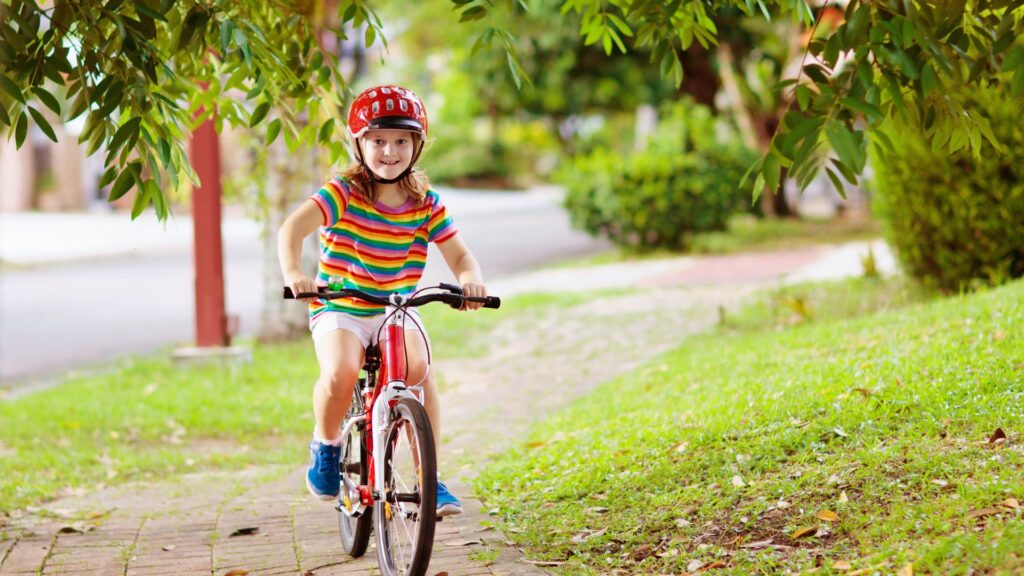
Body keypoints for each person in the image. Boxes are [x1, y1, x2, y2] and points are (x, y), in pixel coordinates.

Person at [277, 84, 487, 517]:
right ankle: (327, 443)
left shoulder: (426, 204)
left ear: (416, 146)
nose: (389, 151)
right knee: (341, 370)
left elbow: (460, 255)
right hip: (342, 305)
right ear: (359, 144)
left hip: (397, 307)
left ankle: (430, 478)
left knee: (419, 369)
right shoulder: (344, 193)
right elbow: (291, 231)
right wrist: (296, 274)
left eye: (400, 141)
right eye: (377, 140)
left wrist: (470, 280)